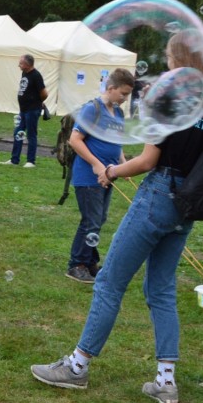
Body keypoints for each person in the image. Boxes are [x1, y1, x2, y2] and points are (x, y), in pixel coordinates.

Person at [30, 32, 203, 403]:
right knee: (160, 290)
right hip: (187, 204)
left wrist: (110, 169)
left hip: (159, 195)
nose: (168, 66)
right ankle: (166, 383)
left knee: (108, 282)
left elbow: (146, 162)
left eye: (170, 58)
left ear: (182, 59)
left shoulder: (172, 97)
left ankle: (77, 367)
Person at [66, 68, 135, 284]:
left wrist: (125, 167)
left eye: (128, 95)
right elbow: (74, 140)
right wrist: (96, 165)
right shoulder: (92, 109)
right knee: (91, 221)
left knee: (99, 219)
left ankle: (89, 262)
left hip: (109, 175)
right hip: (90, 176)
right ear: (110, 88)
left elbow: (116, 142)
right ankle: (76, 265)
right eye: (122, 94)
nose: (124, 99)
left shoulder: (119, 113)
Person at [0, 54, 47, 168]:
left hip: (32, 110)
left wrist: (36, 102)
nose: (19, 65)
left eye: (21, 63)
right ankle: (14, 159)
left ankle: (31, 161)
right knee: (18, 133)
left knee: (31, 135)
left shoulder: (36, 75)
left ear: (27, 64)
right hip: (23, 110)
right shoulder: (24, 73)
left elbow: (44, 93)